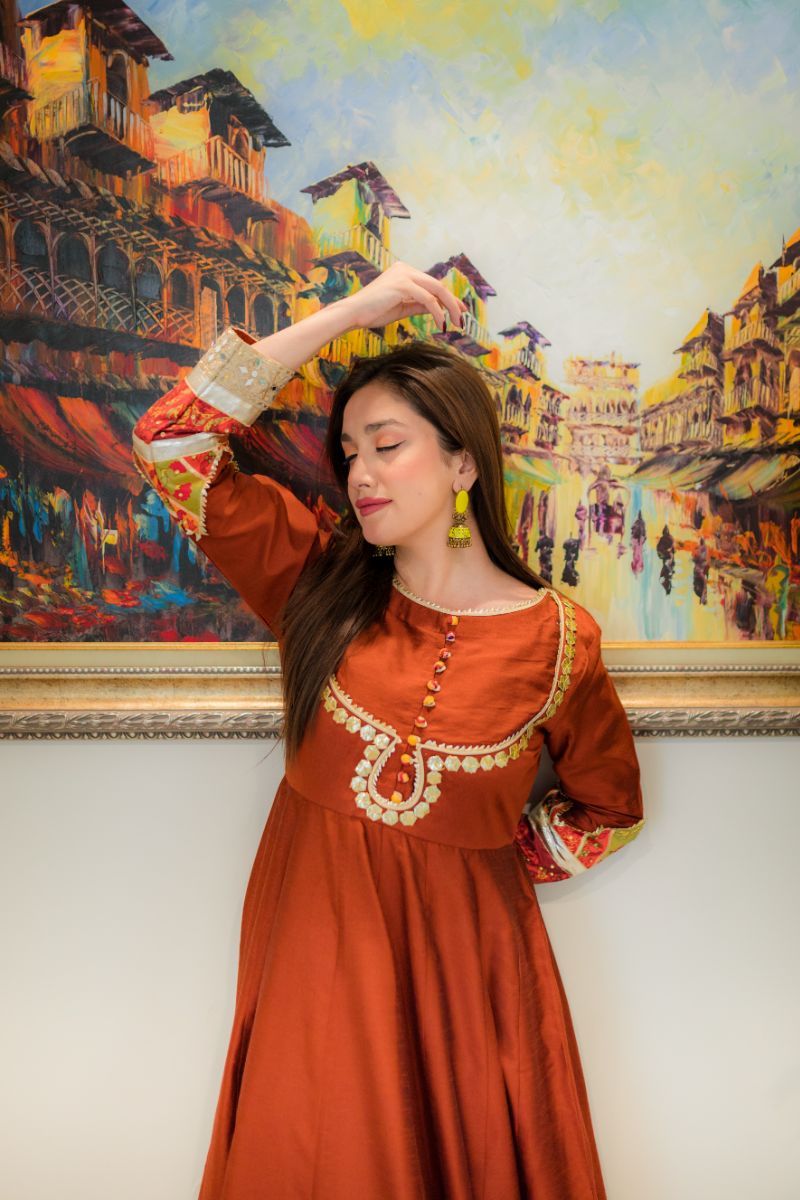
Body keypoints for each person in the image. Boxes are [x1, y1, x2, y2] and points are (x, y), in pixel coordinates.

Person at [131, 262, 645, 1199]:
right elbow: (170, 442)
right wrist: (353, 312)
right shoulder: (313, 580)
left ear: (463, 463)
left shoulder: (559, 641)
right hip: (311, 960)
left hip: (469, 992)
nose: (360, 473)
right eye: (349, 453)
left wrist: (472, 868)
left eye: (388, 445)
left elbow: (609, 808)